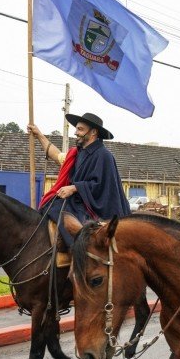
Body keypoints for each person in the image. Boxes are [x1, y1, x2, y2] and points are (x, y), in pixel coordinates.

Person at [28, 113, 130, 266]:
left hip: (94, 207)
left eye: (81, 129)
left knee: (58, 210)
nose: (76, 132)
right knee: (51, 204)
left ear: (93, 132)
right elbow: (57, 156)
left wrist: (75, 188)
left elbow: (103, 187)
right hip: (78, 200)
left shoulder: (104, 156)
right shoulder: (77, 153)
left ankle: (81, 252)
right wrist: (39, 135)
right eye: (77, 129)